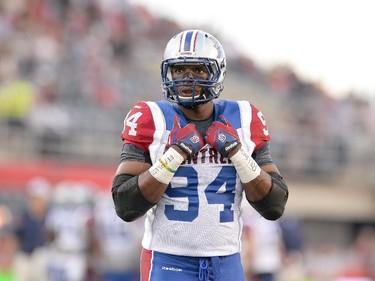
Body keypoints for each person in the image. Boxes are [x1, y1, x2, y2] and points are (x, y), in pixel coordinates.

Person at [112, 29, 289, 281]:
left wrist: (237, 154)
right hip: (168, 259)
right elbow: (125, 204)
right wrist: (174, 155)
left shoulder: (245, 118)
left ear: (217, 72)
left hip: (226, 261)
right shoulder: (153, 118)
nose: (187, 78)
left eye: (198, 69)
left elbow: (275, 205)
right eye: (179, 70)